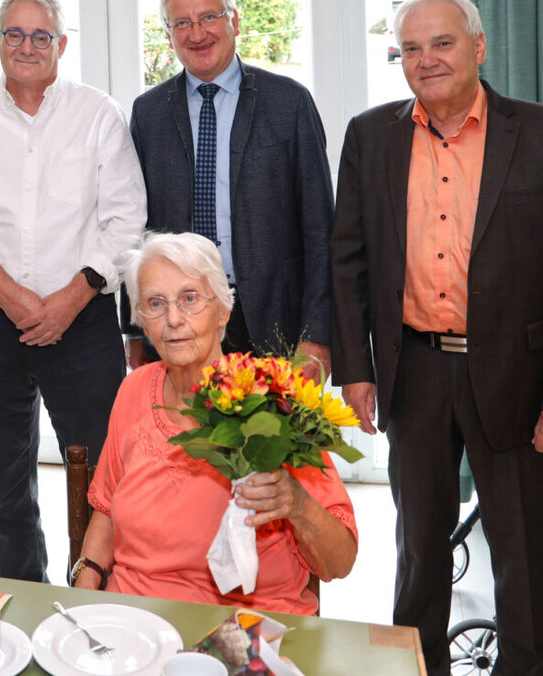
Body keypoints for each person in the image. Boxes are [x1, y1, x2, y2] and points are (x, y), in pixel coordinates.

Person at [331, 0, 543, 675]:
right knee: (419, 554)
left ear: (478, 48)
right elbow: (348, 263)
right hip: (414, 371)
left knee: (521, 559)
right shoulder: (370, 137)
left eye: (443, 43)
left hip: (519, 375)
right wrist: (356, 369)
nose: (426, 60)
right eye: (411, 48)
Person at [0, 0, 146, 582]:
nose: (27, 46)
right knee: (4, 483)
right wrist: (9, 294)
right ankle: (24, 594)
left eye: (40, 35)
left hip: (84, 321)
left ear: (61, 45)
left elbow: (126, 215)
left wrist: (71, 298)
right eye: (15, 34)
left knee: (102, 476)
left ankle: (96, 595)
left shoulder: (97, 112)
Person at [73, 232, 356, 613]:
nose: (174, 319)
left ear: (223, 310)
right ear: (141, 320)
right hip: (137, 615)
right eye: (156, 303)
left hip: (246, 619)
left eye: (190, 299)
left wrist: (298, 503)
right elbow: (107, 509)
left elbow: (339, 563)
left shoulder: (271, 398)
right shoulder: (134, 390)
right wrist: (87, 582)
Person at [127, 0, 333, 382]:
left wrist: (318, 336)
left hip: (274, 321)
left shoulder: (289, 103)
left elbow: (321, 229)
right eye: (182, 23)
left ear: (234, 21)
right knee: (183, 426)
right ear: (168, 35)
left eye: (209, 17)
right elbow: (134, 225)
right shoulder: (148, 113)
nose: (197, 33)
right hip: (179, 323)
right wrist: (134, 328)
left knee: (273, 426)